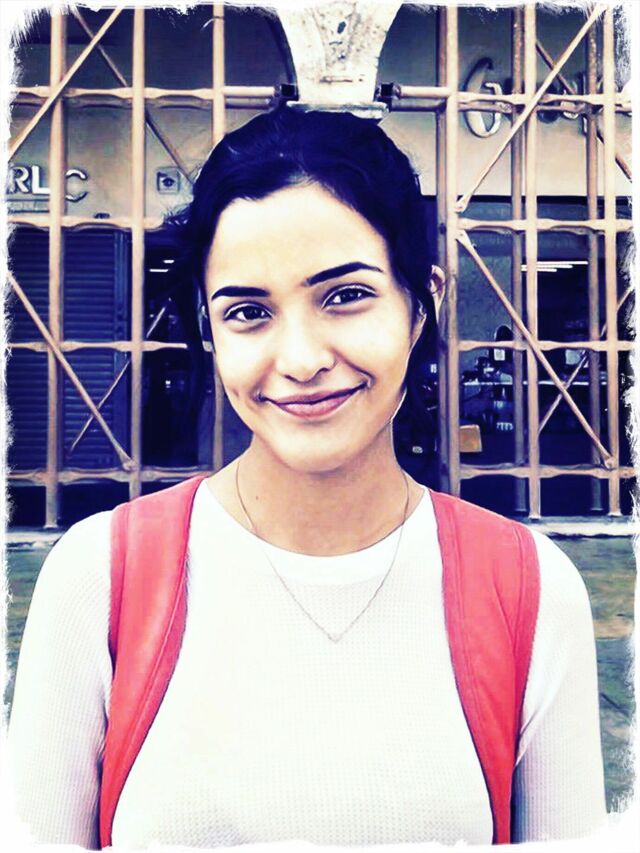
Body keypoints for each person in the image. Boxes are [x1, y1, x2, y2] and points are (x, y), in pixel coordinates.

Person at [7, 105, 606, 849]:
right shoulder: (98, 580)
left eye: (346, 295)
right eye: (248, 311)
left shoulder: (531, 590)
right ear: (210, 329)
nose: (300, 360)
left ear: (424, 302)